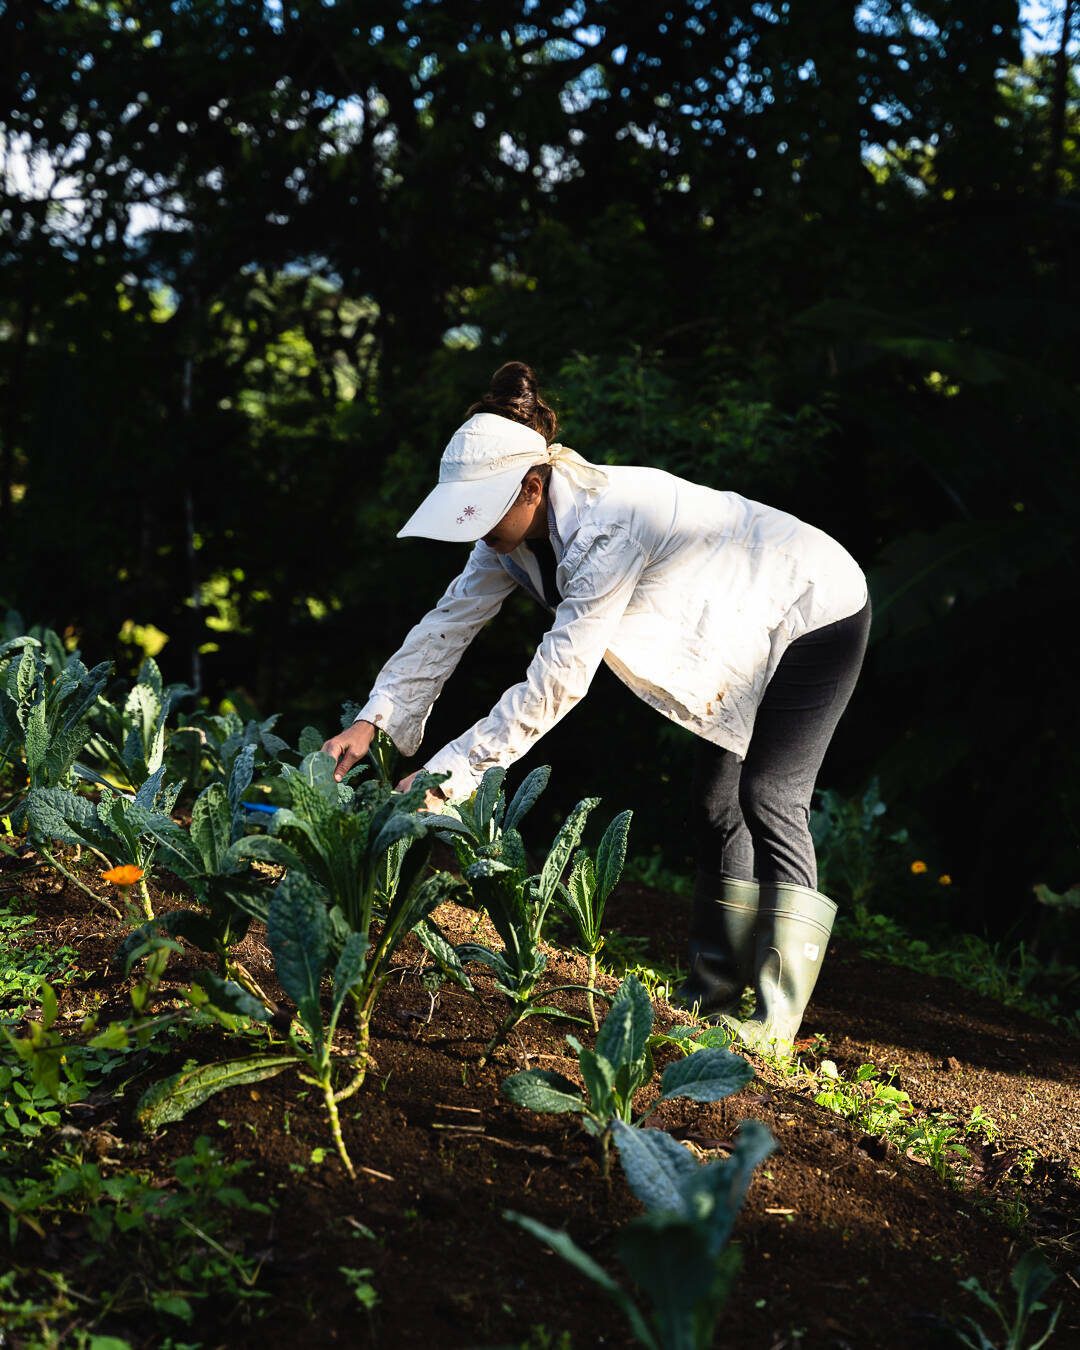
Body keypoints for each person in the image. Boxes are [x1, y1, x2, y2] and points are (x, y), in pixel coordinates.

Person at [323, 362, 870, 1053]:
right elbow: (446, 625)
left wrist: (450, 777)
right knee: (714, 802)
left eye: (486, 510)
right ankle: (712, 993)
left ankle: (772, 1019)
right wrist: (376, 718)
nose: (478, 529)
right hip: (741, 629)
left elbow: (559, 679)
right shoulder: (510, 536)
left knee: (769, 795)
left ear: (531, 484)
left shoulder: (612, 525)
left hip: (815, 605)